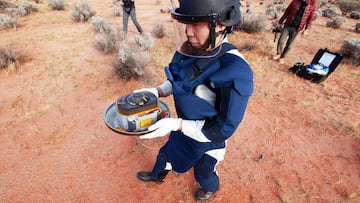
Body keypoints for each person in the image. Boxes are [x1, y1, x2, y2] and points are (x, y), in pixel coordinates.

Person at [134, 0, 254, 200]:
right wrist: (157, 91)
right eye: (186, 24)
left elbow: (222, 129)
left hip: (208, 140)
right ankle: (157, 175)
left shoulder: (236, 70)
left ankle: (210, 187)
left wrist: (178, 124)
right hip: (183, 129)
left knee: (204, 171)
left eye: (196, 24)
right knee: (166, 153)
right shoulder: (190, 49)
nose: (188, 32)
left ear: (222, 24)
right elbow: (179, 80)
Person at [272, 0, 317, 64]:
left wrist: (307, 29)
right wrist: (280, 22)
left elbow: (310, 19)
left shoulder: (313, 4)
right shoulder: (296, 1)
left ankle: (282, 57)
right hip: (288, 25)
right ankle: (278, 53)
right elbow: (287, 12)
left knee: (289, 45)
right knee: (281, 41)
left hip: (297, 28)